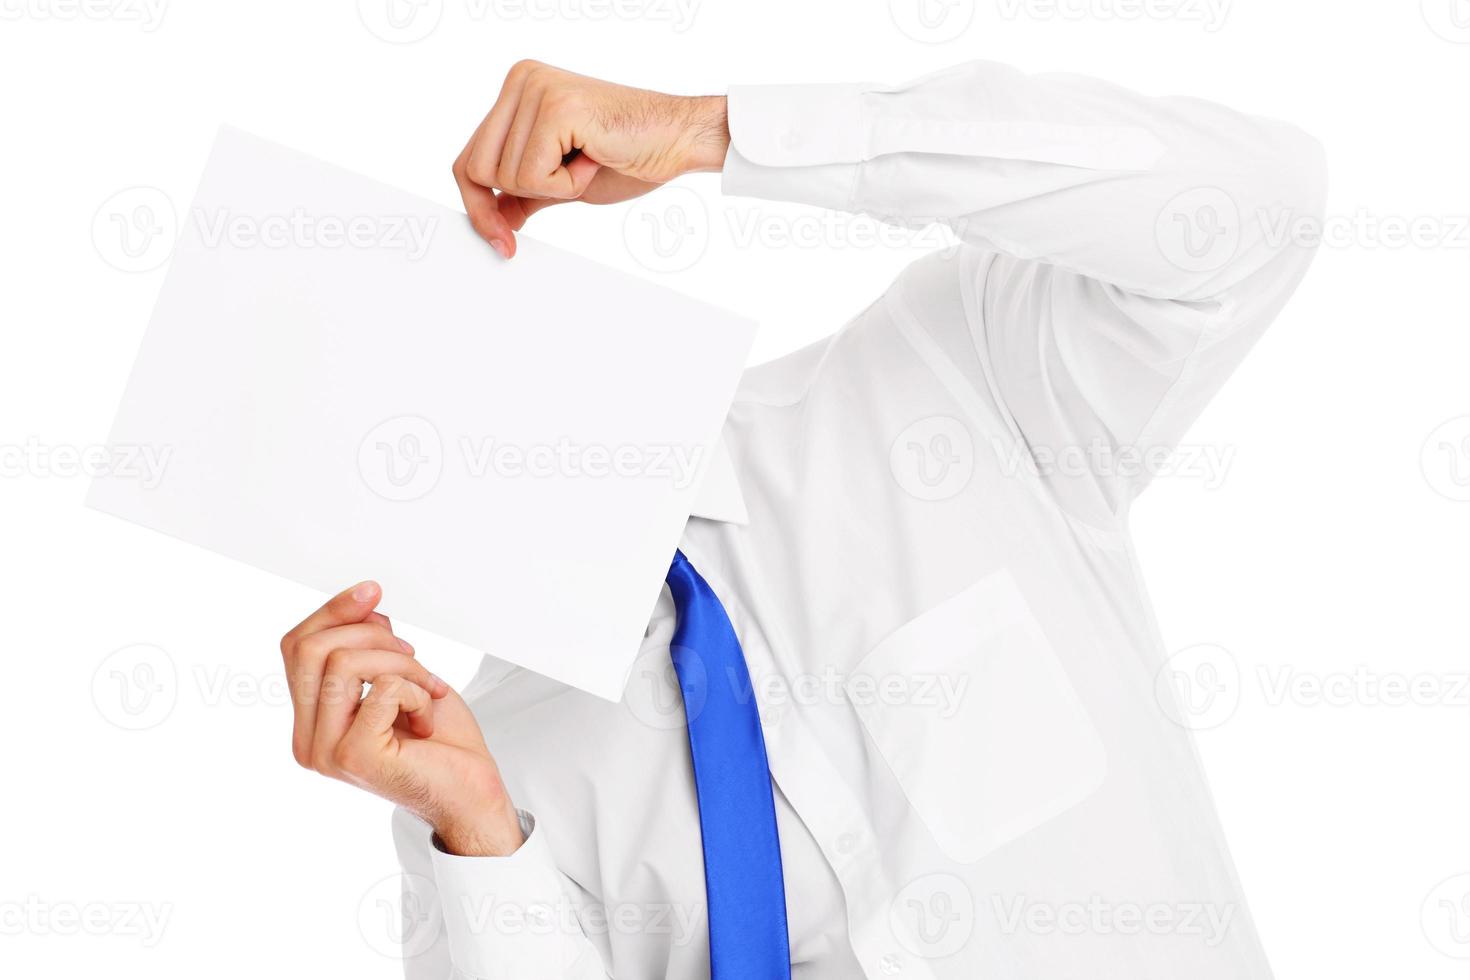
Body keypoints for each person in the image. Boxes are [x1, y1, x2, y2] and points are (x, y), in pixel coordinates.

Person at [277, 59, 1326, 979]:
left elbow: (1256, 206)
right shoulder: (490, 775)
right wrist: (479, 836)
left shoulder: (953, 378)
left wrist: (713, 132)